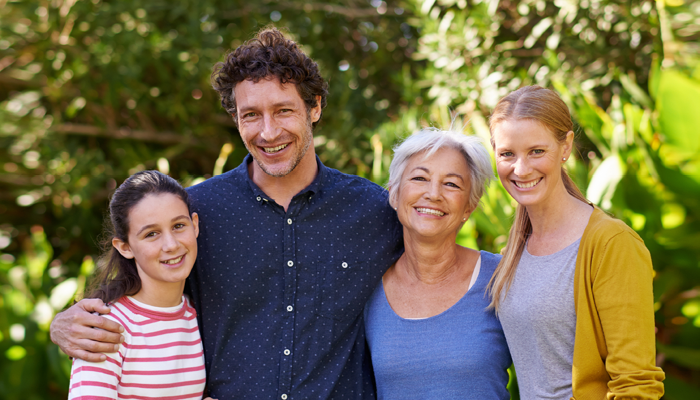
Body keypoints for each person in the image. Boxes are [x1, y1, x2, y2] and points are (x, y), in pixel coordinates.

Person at [51, 28, 403, 399]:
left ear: (314, 107)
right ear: (235, 118)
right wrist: (62, 326)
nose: (268, 132)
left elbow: (434, 276)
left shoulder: (373, 210)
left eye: (283, 110)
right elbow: (140, 293)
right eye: (251, 115)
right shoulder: (194, 213)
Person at [487, 85, 665, 399]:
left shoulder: (612, 244)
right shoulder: (513, 252)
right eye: (507, 154)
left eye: (536, 151)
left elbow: (636, 385)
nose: (521, 168)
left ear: (566, 147)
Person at [364, 129, 511, 399]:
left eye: (452, 184)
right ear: (394, 194)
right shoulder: (367, 287)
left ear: (469, 206)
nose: (433, 194)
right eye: (420, 178)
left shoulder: (502, 278)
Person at [67, 170, 207, 399]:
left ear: (195, 225)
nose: (171, 244)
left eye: (179, 226)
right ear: (125, 247)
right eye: (152, 234)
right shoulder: (107, 329)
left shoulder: (197, 314)